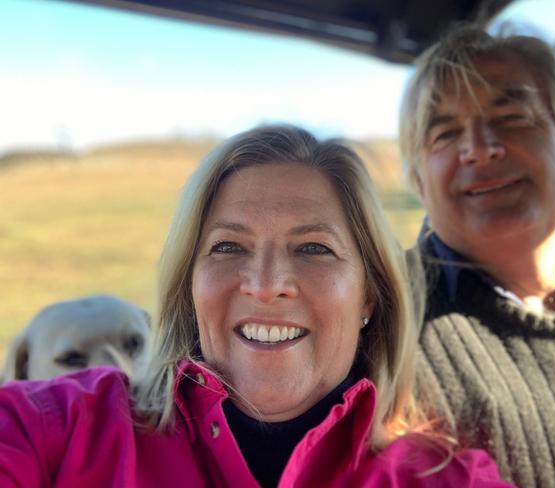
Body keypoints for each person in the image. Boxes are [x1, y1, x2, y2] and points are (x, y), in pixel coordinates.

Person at [0, 125, 512, 487]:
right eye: (228, 247)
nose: (266, 286)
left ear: (369, 295)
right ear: (190, 284)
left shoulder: (447, 481)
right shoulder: (54, 429)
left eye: (314, 248)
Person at [400, 25, 555, 488]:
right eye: (445, 133)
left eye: (512, 117)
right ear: (420, 183)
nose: (478, 148)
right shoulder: (380, 325)